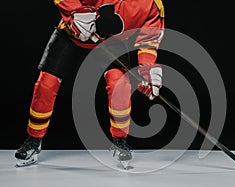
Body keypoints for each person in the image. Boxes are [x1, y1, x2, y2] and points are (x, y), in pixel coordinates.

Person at [15, 0, 165, 169]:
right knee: (46, 83)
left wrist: (147, 69)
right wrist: (74, 12)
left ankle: (120, 140)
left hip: (111, 41)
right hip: (70, 35)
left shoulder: (152, 5)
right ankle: (34, 139)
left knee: (120, 84)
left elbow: (149, 40)